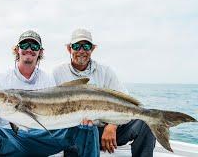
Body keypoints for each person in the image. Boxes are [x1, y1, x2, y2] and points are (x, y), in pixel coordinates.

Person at [0, 30, 100, 157]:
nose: (29, 49)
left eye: (34, 46)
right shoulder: (1, 80)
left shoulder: (47, 79)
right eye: (24, 45)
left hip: (43, 138)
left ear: (40, 52)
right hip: (12, 139)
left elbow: (55, 116)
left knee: (88, 129)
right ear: (17, 50)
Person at [52, 28, 156, 157]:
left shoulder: (105, 72)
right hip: (75, 132)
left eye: (86, 46)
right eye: (76, 46)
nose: (81, 51)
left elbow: (125, 102)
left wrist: (112, 125)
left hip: (105, 131)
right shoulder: (57, 73)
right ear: (69, 49)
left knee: (145, 122)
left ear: (92, 49)